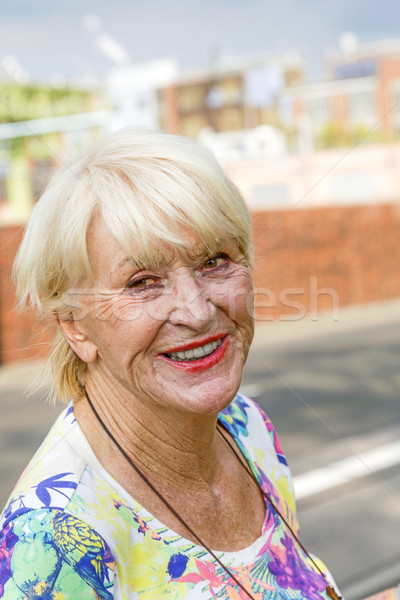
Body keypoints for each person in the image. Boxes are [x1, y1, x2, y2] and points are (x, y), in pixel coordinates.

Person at [0, 128, 344, 600]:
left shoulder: (245, 426)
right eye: (142, 282)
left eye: (215, 261)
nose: (197, 310)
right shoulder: (54, 542)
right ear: (74, 326)